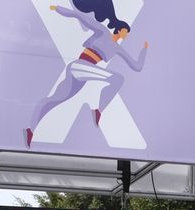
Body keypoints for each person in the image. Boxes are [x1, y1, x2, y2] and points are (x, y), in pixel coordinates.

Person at [22, 0, 148, 154]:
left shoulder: (117, 49)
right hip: (80, 66)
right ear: (120, 29)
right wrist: (58, 9)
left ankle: (30, 130)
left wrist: (144, 50)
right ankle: (98, 110)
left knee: (54, 100)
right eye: (126, 32)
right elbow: (80, 17)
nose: (126, 35)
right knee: (117, 79)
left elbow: (136, 66)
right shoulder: (103, 32)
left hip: (82, 75)